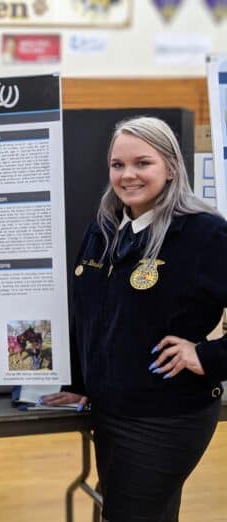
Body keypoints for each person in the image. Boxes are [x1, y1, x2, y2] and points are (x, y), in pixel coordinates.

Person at [42, 116, 227, 521]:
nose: (127, 175)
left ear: (171, 167)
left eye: (143, 163)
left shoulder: (204, 234)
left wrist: (209, 356)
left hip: (167, 417)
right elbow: (87, 315)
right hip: (110, 412)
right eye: (117, 165)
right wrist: (78, 383)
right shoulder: (104, 230)